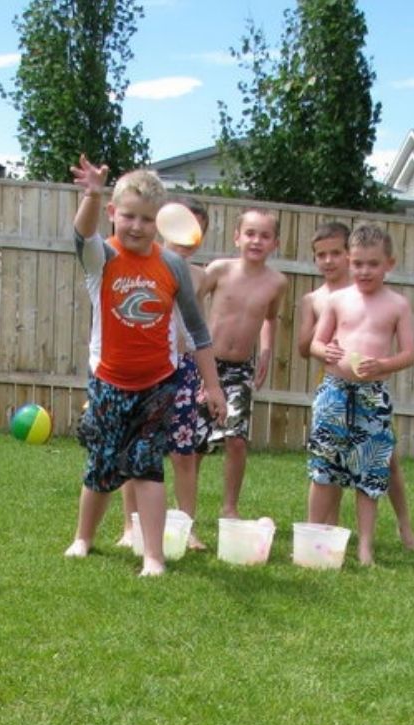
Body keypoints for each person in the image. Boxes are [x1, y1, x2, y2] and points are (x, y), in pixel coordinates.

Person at [63, 156, 226, 576]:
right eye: (129, 216)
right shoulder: (102, 258)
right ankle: (83, 537)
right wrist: (93, 194)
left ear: (161, 224)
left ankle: (152, 555)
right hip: (109, 381)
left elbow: (198, 331)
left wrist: (214, 387)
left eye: (147, 219)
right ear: (114, 214)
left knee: (148, 467)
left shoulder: (171, 265)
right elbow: (82, 234)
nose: (137, 226)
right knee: (101, 466)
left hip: (159, 382)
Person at [298, 220, 414, 550]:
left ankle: (365, 545)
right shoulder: (338, 300)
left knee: (370, 470)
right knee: (324, 465)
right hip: (334, 390)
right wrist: (325, 349)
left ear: (389, 265)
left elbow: (409, 354)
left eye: (373, 264)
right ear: (349, 262)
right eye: (357, 264)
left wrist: (383, 365)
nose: (364, 271)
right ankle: (312, 538)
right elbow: (314, 344)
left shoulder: (397, 304)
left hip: (372, 395)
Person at [118, 198, 211, 551]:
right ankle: (130, 526)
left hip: (184, 368)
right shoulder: (141, 268)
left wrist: (208, 379)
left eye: (197, 228)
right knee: (137, 449)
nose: (188, 235)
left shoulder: (201, 276)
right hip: (146, 366)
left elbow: (199, 330)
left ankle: (186, 527)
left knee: (183, 453)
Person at [200, 208, 288, 517]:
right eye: (250, 233)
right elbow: (192, 302)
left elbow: (270, 318)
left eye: (265, 236)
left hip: (240, 369)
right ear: (237, 237)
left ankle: (229, 508)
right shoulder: (220, 270)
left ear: (275, 243)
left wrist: (266, 350)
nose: (256, 241)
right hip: (206, 365)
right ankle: (187, 510)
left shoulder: (277, 282)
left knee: (236, 439)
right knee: (197, 442)